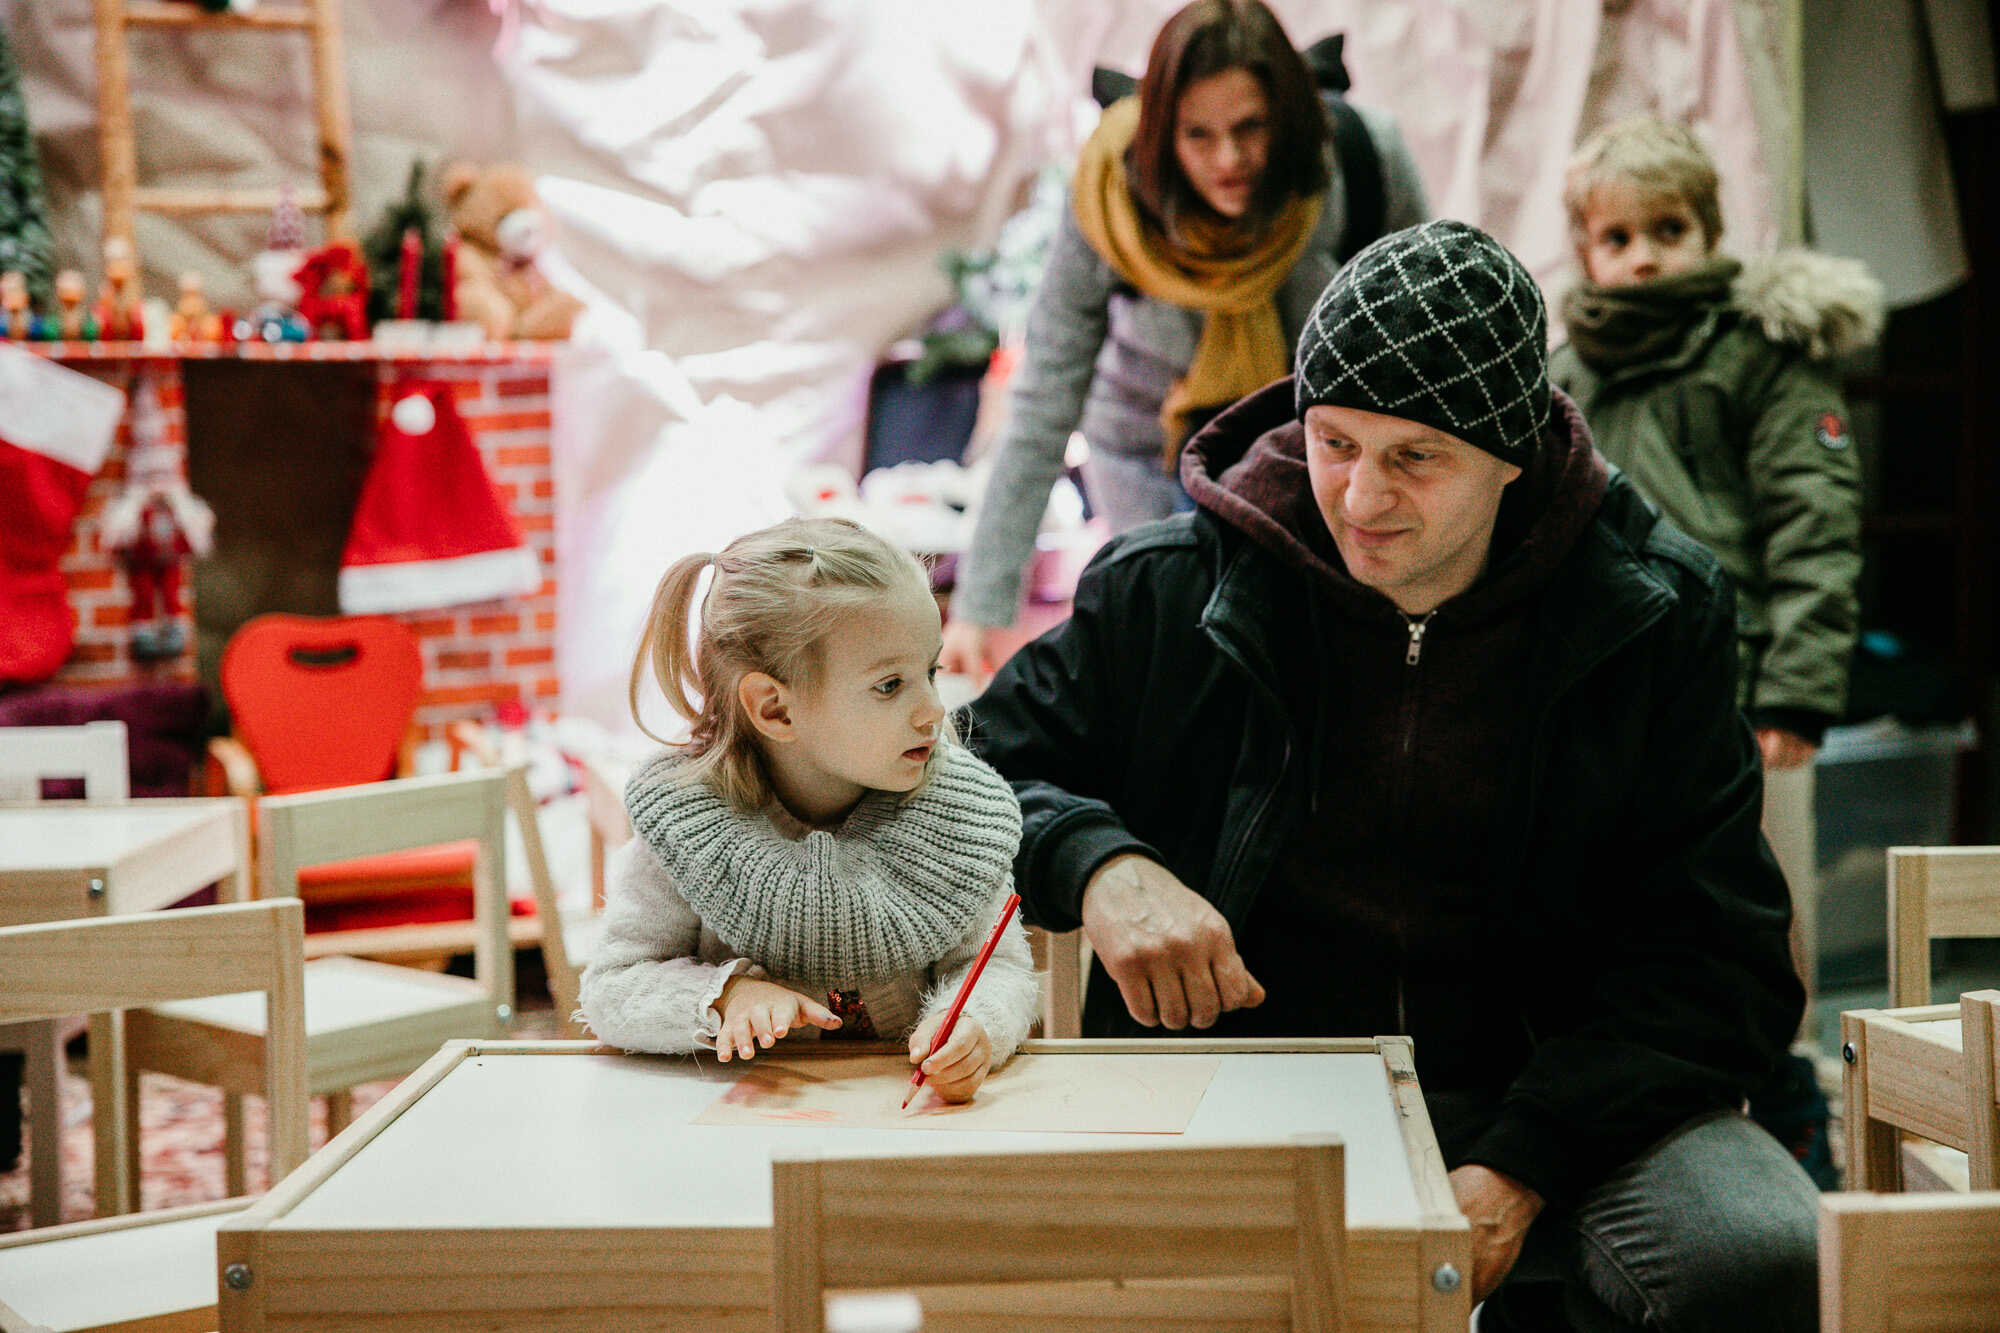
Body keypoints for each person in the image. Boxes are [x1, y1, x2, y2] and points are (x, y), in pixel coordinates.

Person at [965, 220, 1817, 1328]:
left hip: (1559, 1097)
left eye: (1416, 456)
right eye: (1333, 442)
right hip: (1251, 1081)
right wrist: (1098, 862)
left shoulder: (1650, 612)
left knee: (1760, 1253)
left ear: (1509, 455)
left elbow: (1721, 964)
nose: (1361, 497)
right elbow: (966, 766)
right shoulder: (1166, 589)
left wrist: (1522, 1162)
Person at [1551, 117, 1878, 1186]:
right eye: (1616, 236)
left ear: (1709, 230)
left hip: (1741, 694)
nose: (1642, 255)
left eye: (1668, 228)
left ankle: (1786, 1099)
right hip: (1607, 695)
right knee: (1636, 906)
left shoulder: (1758, 358)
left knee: (1763, 906)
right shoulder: (1565, 373)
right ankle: (1651, 1103)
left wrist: (1793, 688)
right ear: (1584, 248)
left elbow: (1812, 523)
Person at [940, 0, 1428, 678]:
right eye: (1198, 135)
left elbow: (1420, 352)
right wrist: (983, 603)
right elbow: (1048, 389)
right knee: (1173, 672)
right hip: (1148, 463)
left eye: (1251, 127)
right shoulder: (1113, 192)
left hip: (1314, 470)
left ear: (1286, 113)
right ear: (1161, 131)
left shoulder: (1356, 161)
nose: (1228, 159)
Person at [579, 517, 1038, 1104]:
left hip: (903, 1127)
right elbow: (613, 989)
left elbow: (996, 968)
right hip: (736, 1132)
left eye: (931, 671)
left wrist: (975, 1027)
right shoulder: (685, 825)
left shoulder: (958, 816)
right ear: (774, 708)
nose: (933, 711)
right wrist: (724, 997)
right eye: (890, 686)